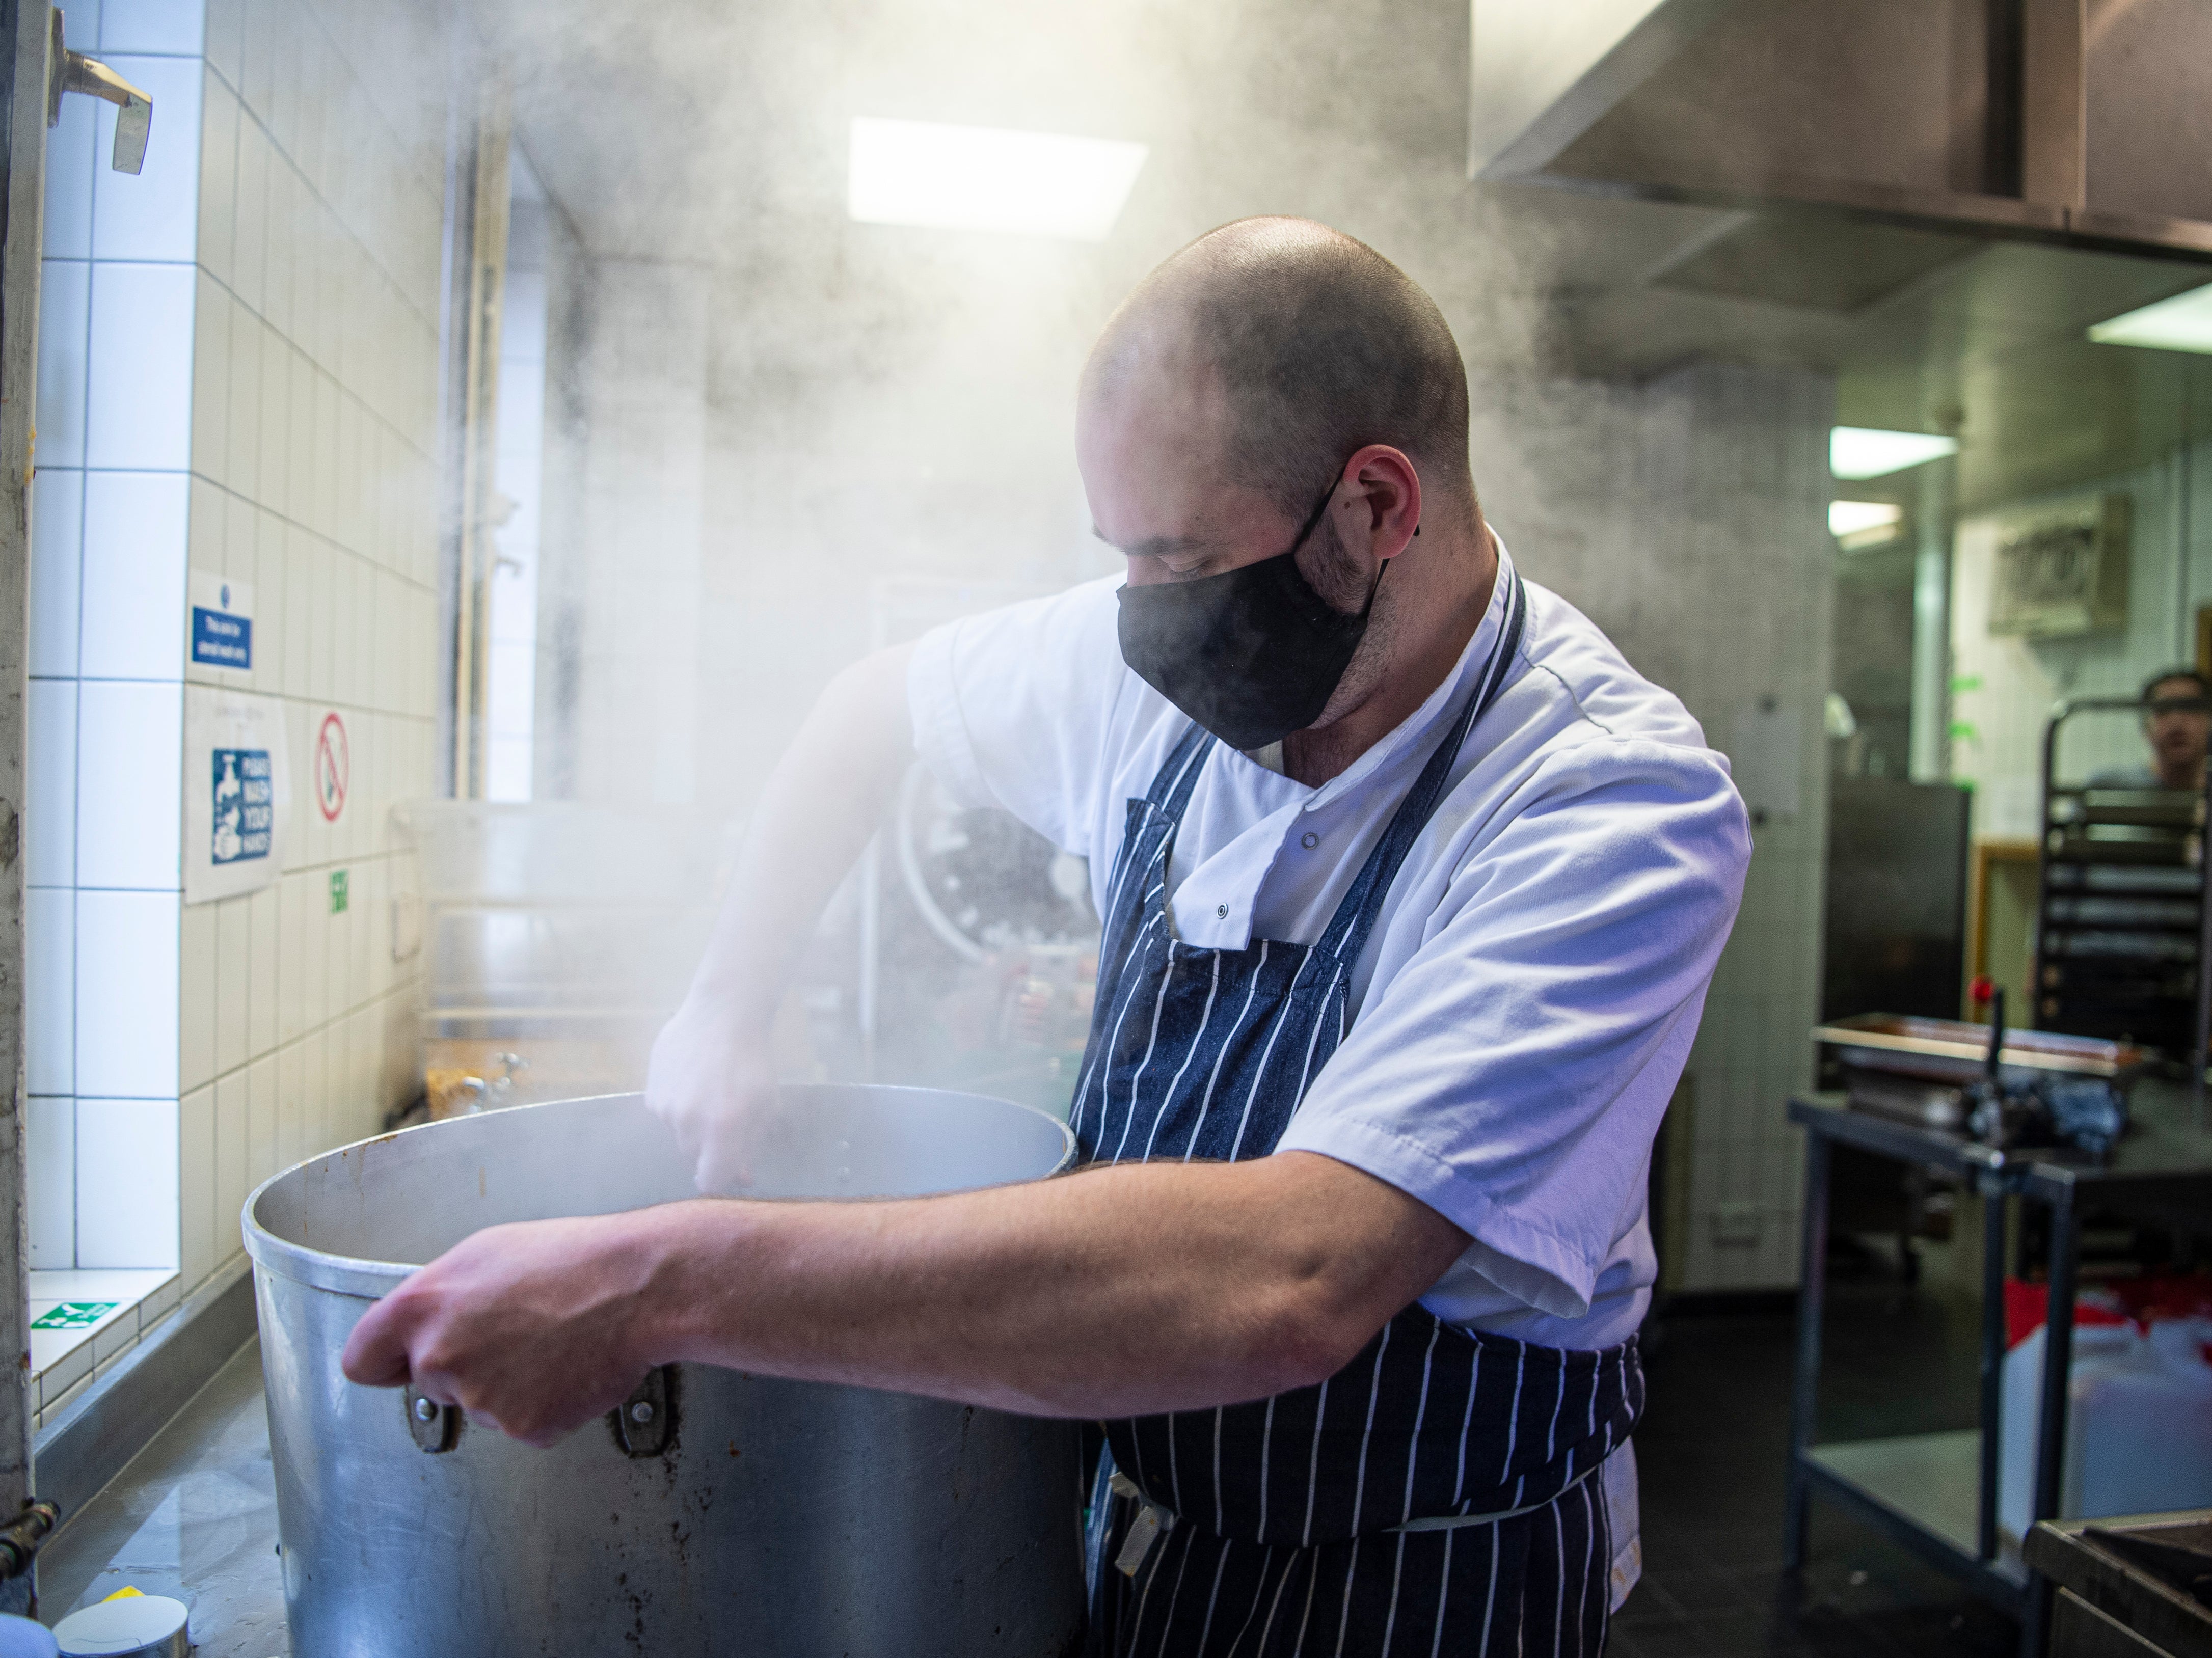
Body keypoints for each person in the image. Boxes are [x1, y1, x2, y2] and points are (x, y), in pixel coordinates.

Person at [342, 218, 1751, 1654]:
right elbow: (867, 708)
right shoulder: (1152, 656)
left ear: (1376, 502)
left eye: (1182, 554)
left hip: (1422, 1586)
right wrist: (724, 997)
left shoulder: (1606, 807)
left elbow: (1294, 1277)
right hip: (1130, 1529)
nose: (1143, 614)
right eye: (1122, 554)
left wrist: (657, 1279)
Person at [2093, 668, 2212, 792]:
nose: (2176, 723)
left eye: (2190, 708)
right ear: (2145, 726)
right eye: (2163, 710)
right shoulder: (2109, 789)